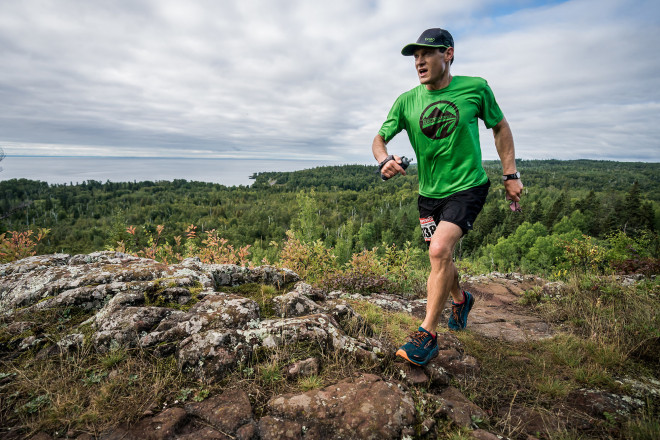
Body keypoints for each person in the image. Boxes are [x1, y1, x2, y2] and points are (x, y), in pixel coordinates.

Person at [372, 28, 523, 366]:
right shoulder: (407, 101)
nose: (419, 61)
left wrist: (510, 173)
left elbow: (499, 126)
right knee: (440, 257)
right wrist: (384, 161)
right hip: (429, 195)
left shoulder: (475, 88)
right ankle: (461, 299)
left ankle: (426, 336)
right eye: (415, 56)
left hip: (468, 186)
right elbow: (379, 139)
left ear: (448, 54)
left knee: (440, 250)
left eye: (427, 53)